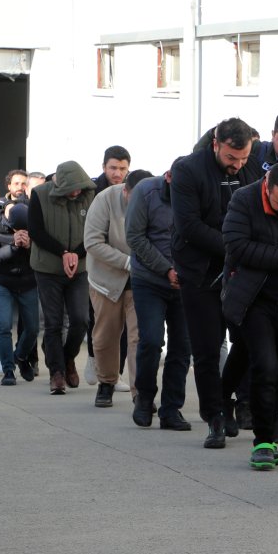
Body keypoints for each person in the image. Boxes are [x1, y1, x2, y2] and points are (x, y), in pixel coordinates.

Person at [171, 119, 257, 444]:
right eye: (231, 158)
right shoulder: (187, 171)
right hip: (199, 272)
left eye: (243, 158)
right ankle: (214, 417)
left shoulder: (251, 169)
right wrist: (237, 244)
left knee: (248, 341)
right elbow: (188, 225)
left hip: (241, 272)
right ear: (216, 144)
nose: (237, 165)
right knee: (207, 349)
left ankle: (228, 398)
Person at [221, 161, 278, 469]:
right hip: (253, 298)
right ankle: (262, 441)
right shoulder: (244, 199)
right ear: (267, 186)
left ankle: (271, 428)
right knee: (264, 365)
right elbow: (236, 245)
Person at [126, 163, 189, 429]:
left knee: (182, 346)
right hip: (149, 279)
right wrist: (166, 270)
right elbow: (135, 237)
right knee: (151, 340)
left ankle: (171, 408)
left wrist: (185, 272)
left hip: (187, 282)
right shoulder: (145, 191)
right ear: (168, 177)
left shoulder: (196, 195)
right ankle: (144, 397)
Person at [28, 160, 96, 394]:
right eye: (71, 189)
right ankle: (56, 373)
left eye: (80, 187)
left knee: (80, 319)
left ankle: (68, 359)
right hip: (48, 268)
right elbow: (36, 231)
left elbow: (96, 230)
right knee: (53, 322)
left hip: (80, 267)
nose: (76, 192)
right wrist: (63, 253)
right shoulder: (39, 194)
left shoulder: (90, 195)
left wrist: (76, 255)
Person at [84, 170, 147, 407]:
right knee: (106, 336)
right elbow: (92, 241)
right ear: (125, 191)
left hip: (141, 281)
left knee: (139, 337)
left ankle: (140, 392)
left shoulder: (155, 199)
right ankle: (107, 382)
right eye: (135, 197)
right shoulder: (105, 199)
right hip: (106, 280)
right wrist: (127, 261)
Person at [0, 200, 40, 386]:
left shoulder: (35, 222)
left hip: (28, 281)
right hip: (0, 281)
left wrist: (31, 246)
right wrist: (14, 245)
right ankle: (8, 369)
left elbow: (44, 254)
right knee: (3, 324)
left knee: (32, 328)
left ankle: (20, 356)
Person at [86, 146, 131, 386]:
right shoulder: (95, 193)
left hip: (133, 275)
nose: (118, 172)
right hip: (101, 272)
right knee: (101, 327)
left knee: (133, 334)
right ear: (104, 167)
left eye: (122, 168)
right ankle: (98, 363)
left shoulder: (137, 189)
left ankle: (119, 375)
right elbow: (92, 239)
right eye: (113, 167)